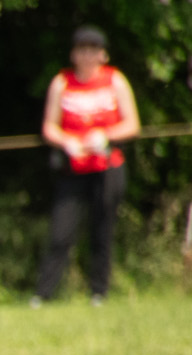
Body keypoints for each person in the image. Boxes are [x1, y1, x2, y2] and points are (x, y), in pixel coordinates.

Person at [33, 26, 141, 307]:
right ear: (73, 54)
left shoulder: (115, 81)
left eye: (92, 50)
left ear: (102, 55)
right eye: (81, 50)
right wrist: (67, 141)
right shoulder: (62, 82)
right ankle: (43, 294)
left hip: (107, 166)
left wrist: (106, 136)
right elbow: (49, 126)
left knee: (102, 230)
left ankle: (98, 293)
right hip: (73, 168)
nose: (87, 56)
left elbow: (132, 125)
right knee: (61, 232)